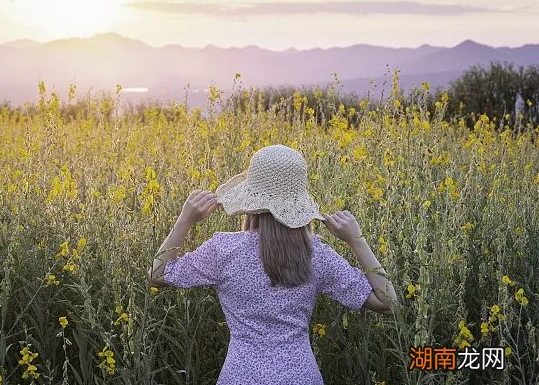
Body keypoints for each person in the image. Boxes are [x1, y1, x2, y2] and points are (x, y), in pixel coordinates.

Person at [148, 144, 398, 384]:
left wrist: (185, 219)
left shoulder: (223, 250)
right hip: (300, 377)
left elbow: (157, 275)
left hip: (241, 377)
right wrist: (357, 241)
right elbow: (388, 304)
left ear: (251, 202)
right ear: (299, 203)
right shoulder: (316, 254)